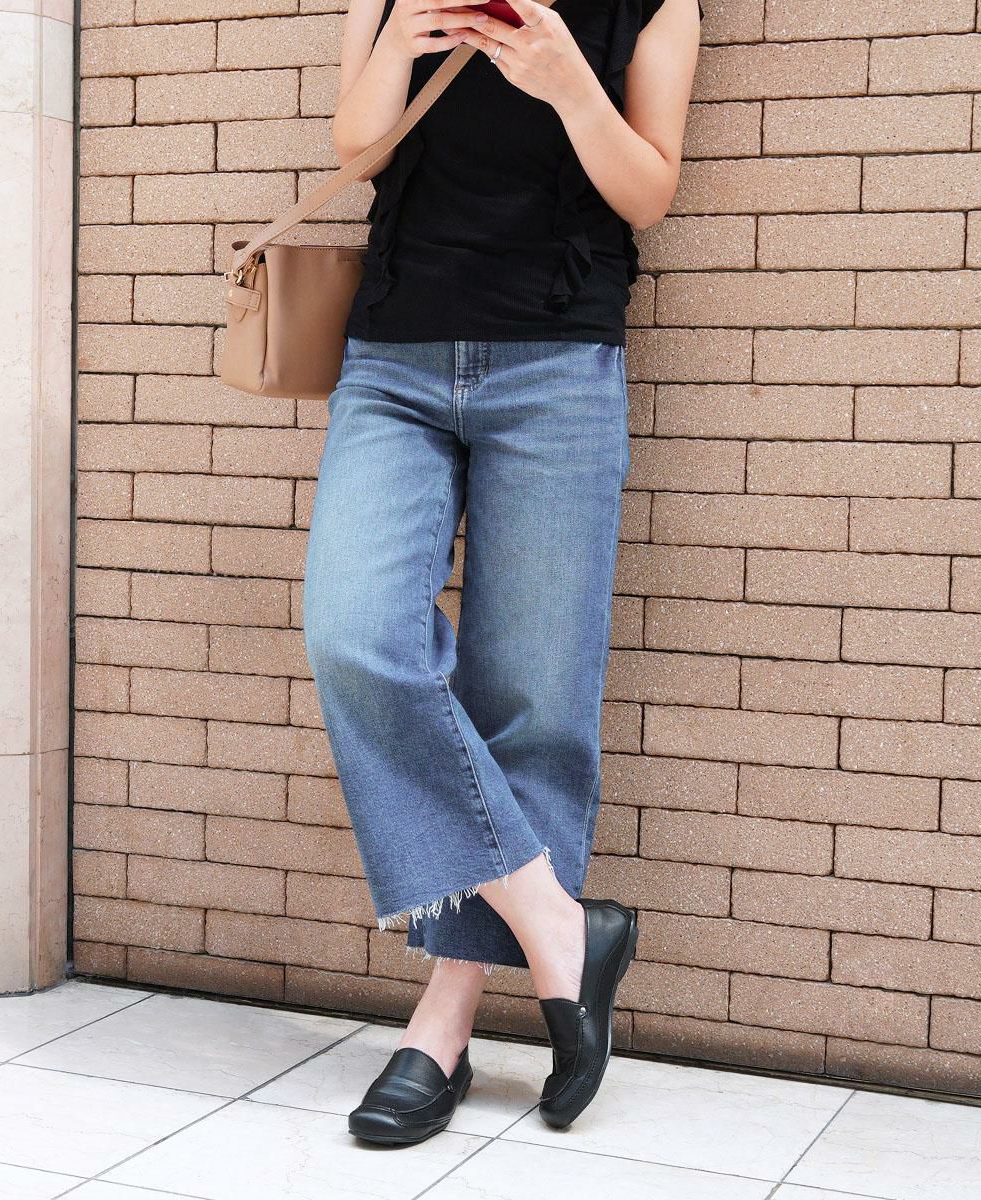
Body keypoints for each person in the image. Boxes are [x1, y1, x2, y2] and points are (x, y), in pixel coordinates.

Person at [301, 0, 703, 1143]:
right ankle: (560, 928)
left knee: (531, 698)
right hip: (393, 358)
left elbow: (648, 191)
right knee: (353, 632)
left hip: (559, 363)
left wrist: (570, 81)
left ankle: (444, 1022)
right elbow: (358, 150)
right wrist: (396, 42)